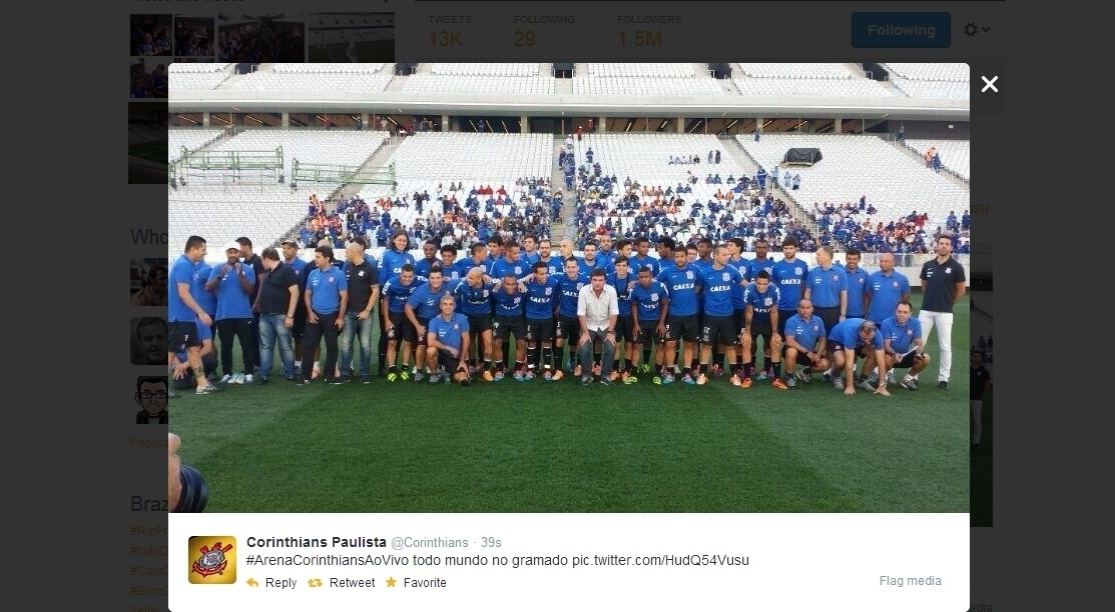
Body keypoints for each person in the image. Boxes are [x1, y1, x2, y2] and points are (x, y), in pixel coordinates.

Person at [917, 235, 967, 389]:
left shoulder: (957, 267)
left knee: (945, 346)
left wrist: (949, 302)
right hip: (926, 310)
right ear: (936, 246)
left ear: (951, 248)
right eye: (941, 243)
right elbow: (924, 285)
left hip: (945, 312)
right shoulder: (927, 265)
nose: (944, 246)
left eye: (947, 244)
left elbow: (961, 289)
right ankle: (914, 375)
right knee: (919, 344)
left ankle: (943, 379)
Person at [206, 242, 257, 384]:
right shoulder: (218, 268)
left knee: (247, 345)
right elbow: (208, 287)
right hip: (224, 314)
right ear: (226, 253)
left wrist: (240, 274)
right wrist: (220, 275)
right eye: (230, 252)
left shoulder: (248, 269)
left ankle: (248, 372)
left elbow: (249, 290)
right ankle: (227, 372)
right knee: (226, 346)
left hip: (243, 314)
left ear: (239, 252)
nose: (233, 255)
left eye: (235, 252)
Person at [299, 246, 347, 385]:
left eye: (318, 257)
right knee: (308, 346)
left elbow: (344, 297)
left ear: (327, 258)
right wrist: (310, 312)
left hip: (331, 315)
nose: (315, 259)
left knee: (331, 346)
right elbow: (307, 294)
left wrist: (340, 317)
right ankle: (305, 375)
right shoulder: (313, 274)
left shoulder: (338, 274)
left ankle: (329, 375)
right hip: (315, 315)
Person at [254, 247, 299, 384]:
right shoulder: (269, 273)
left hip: (281, 315)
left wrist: (290, 315)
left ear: (267, 259)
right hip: (265, 315)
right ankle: (264, 374)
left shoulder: (286, 271)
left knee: (285, 345)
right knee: (267, 346)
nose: (262, 263)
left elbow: (295, 293)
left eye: (263, 260)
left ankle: (289, 372)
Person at [340, 242, 380, 384]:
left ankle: (364, 373)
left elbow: (376, 290)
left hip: (365, 314)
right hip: (349, 312)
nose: (346, 255)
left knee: (365, 344)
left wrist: (367, 310)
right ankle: (345, 372)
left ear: (354, 253)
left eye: (347, 252)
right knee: (346, 344)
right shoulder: (347, 267)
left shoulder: (370, 268)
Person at [740, 271, 784, 389]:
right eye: (759, 283)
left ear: (769, 283)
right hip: (753, 320)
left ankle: (776, 378)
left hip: (767, 321)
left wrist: (775, 332)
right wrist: (747, 332)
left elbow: (774, 311)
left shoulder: (774, 290)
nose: (761, 286)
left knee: (775, 344)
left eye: (764, 284)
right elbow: (749, 312)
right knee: (746, 343)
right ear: (755, 282)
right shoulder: (749, 290)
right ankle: (747, 378)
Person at [576, 269, 620, 386]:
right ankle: (586, 375)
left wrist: (610, 331)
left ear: (605, 281)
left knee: (611, 347)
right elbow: (581, 314)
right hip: (589, 325)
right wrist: (585, 332)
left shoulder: (611, 291)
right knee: (584, 347)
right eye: (594, 280)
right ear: (590, 280)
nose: (597, 283)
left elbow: (614, 313)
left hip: (606, 325)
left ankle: (605, 375)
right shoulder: (584, 291)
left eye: (600, 280)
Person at [826, 318, 890, 396]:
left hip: (858, 342)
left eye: (870, 339)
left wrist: (882, 386)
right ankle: (836, 376)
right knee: (841, 361)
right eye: (864, 338)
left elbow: (881, 361)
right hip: (838, 340)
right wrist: (849, 386)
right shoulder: (851, 332)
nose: (867, 341)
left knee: (875, 355)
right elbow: (850, 362)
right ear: (860, 331)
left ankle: (862, 380)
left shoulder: (877, 335)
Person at [879, 300, 931, 390]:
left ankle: (908, 379)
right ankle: (884, 377)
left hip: (906, 355)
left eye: (905, 312)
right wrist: (894, 354)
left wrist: (919, 352)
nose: (901, 315)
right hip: (891, 355)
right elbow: (886, 345)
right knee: (886, 359)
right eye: (899, 312)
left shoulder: (915, 323)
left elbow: (919, 343)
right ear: (895, 311)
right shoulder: (886, 323)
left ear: (910, 313)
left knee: (925, 358)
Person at [522, 260, 560, 380]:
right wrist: (522, 282)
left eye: (546, 273)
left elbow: (561, 292)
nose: (544, 276)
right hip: (531, 317)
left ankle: (547, 370)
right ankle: (530, 369)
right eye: (541, 274)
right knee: (531, 343)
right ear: (535, 274)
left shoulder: (553, 282)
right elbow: (514, 282)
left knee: (546, 343)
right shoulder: (528, 282)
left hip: (547, 317)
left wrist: (559, 305)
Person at [782, 299, 830, 388]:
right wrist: (807, 352)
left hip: (810, 352)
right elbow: (789, 341)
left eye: (808, 308)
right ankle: (789, 376)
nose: (805, 310)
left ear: (812, 309)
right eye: (802, 308)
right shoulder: (792, 321)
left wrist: (818, 354)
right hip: (796, 349)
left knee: (825, 364)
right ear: (798, 309)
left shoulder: (818, 320)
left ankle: (806, 372)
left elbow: (822, 339)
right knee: (791, 351)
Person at [426, 294, 473, 385]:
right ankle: (434, 374)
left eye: (451, 304)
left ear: (455, 306)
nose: (448, 307)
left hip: (455, 356)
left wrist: (462, 360)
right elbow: (430, 341)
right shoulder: (434, 321)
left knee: (463, 379)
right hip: (441, 353)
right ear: (441, 306)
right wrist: (448, 348)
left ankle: (448, 370)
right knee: (430, 350)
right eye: (445, 304)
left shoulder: (462, 318)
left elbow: (466, 340)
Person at [803, 246, 847, 334]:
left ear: (827, 256)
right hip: (815, 310)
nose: (816, 257)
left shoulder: (840, 273)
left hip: (833, 312)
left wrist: (842, 314)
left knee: (831, 337)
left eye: (818, 255)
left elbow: (844, 295)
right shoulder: (813, 273)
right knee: (815, 336)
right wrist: (807, 309)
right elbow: (808, 292)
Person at [865, 252, 910, 325]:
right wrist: (867, 313)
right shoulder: (872, 277)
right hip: (875, 320)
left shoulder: (902, 279)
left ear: (893, 263)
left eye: (886, 261)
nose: (883, 263)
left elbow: (905, 297)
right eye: (881, 261)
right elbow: (867, 296)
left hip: (894, 320)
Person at [970, 350, 992, 448]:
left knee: (976, 421)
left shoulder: (984, 371)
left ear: (981, 358)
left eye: (978, 356)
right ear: (972, 357)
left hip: (977, 398)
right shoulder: (969, 369)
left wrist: (981, 393)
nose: (976, 358)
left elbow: (987, 384)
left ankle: (976, 442)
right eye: (974, 356)